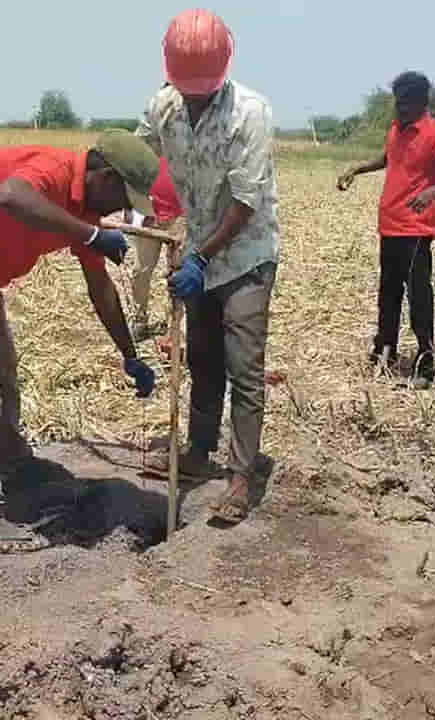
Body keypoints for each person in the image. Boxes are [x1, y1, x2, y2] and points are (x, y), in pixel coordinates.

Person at [0, 130, 160, 549]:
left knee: (5, 372)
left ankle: (11, 464)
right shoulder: (54, 170)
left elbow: (101, 288)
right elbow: (10, 195)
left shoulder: (85, 213)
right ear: (104, 175)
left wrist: (129, 355)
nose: (120, 209)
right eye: (123, 197)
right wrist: (89, 234)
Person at [137, 9, 280, 526]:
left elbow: (245, 202)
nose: (193, 97)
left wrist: (202, 255)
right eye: (186, 88)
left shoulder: (251, 113)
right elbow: (138, 157)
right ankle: (199, 452)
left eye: (202, 89)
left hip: (244, 256)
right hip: (195, 246)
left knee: (243, 365)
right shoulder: (163, 106)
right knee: (201, 359)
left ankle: (242, 472)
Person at [337, 71, 435, 389]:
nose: (398, 108)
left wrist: (432, 192)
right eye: (396, 102)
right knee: (388, 294)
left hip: (416, 229)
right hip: (391, 226)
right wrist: (358, 168)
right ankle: (386, 350)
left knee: (419, 297)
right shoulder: (397, 128)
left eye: (404, 103)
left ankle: (425, 364)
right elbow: (388, 158)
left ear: (420, 102)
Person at [121, 155, 183, 341]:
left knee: (180, 271)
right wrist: (132, 209)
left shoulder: (189, 143)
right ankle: (140, 321)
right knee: (141, 270)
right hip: (150, 215)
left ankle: (177, 324)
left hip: (180, 217)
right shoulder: (148, 145)